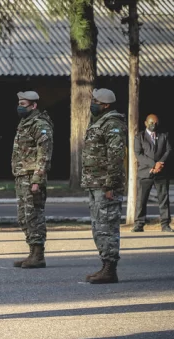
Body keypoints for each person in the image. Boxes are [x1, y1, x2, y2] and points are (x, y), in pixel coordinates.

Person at [83, 88, 127, 284]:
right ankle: (104, 266)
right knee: (99, 226)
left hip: (106, 184)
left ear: (106, 105)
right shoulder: (99, 122)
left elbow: (116, 156)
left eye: (95, 101)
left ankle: (110, 269)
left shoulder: (112, 124)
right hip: (95, 183)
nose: (92, 103)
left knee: (107, 226)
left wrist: (111, 184)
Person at [11, 91, 54, 269]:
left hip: (32, 177)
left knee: (34, 215)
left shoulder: (40, 124)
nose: (20, 106)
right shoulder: (25, 123)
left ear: (34, 105)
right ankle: (32, 252)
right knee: (24, 216)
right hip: (22, 176)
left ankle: (38, 255)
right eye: (19, 103)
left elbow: (44, 154)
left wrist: (37, 179)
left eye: (24, 103)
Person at [132, 114, 172, 232]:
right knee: (141, 199)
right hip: (145, 172)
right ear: (145, 123)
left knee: (163, 199)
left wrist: (160, 163)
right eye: (151, 123)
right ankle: (139, 224)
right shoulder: (139, 137)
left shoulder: (164, 135)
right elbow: (138, 154)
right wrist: (154, 165)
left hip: (161, 172)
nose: (153, 125)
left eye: (155, 123)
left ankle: (165, 224)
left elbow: (168, 150)